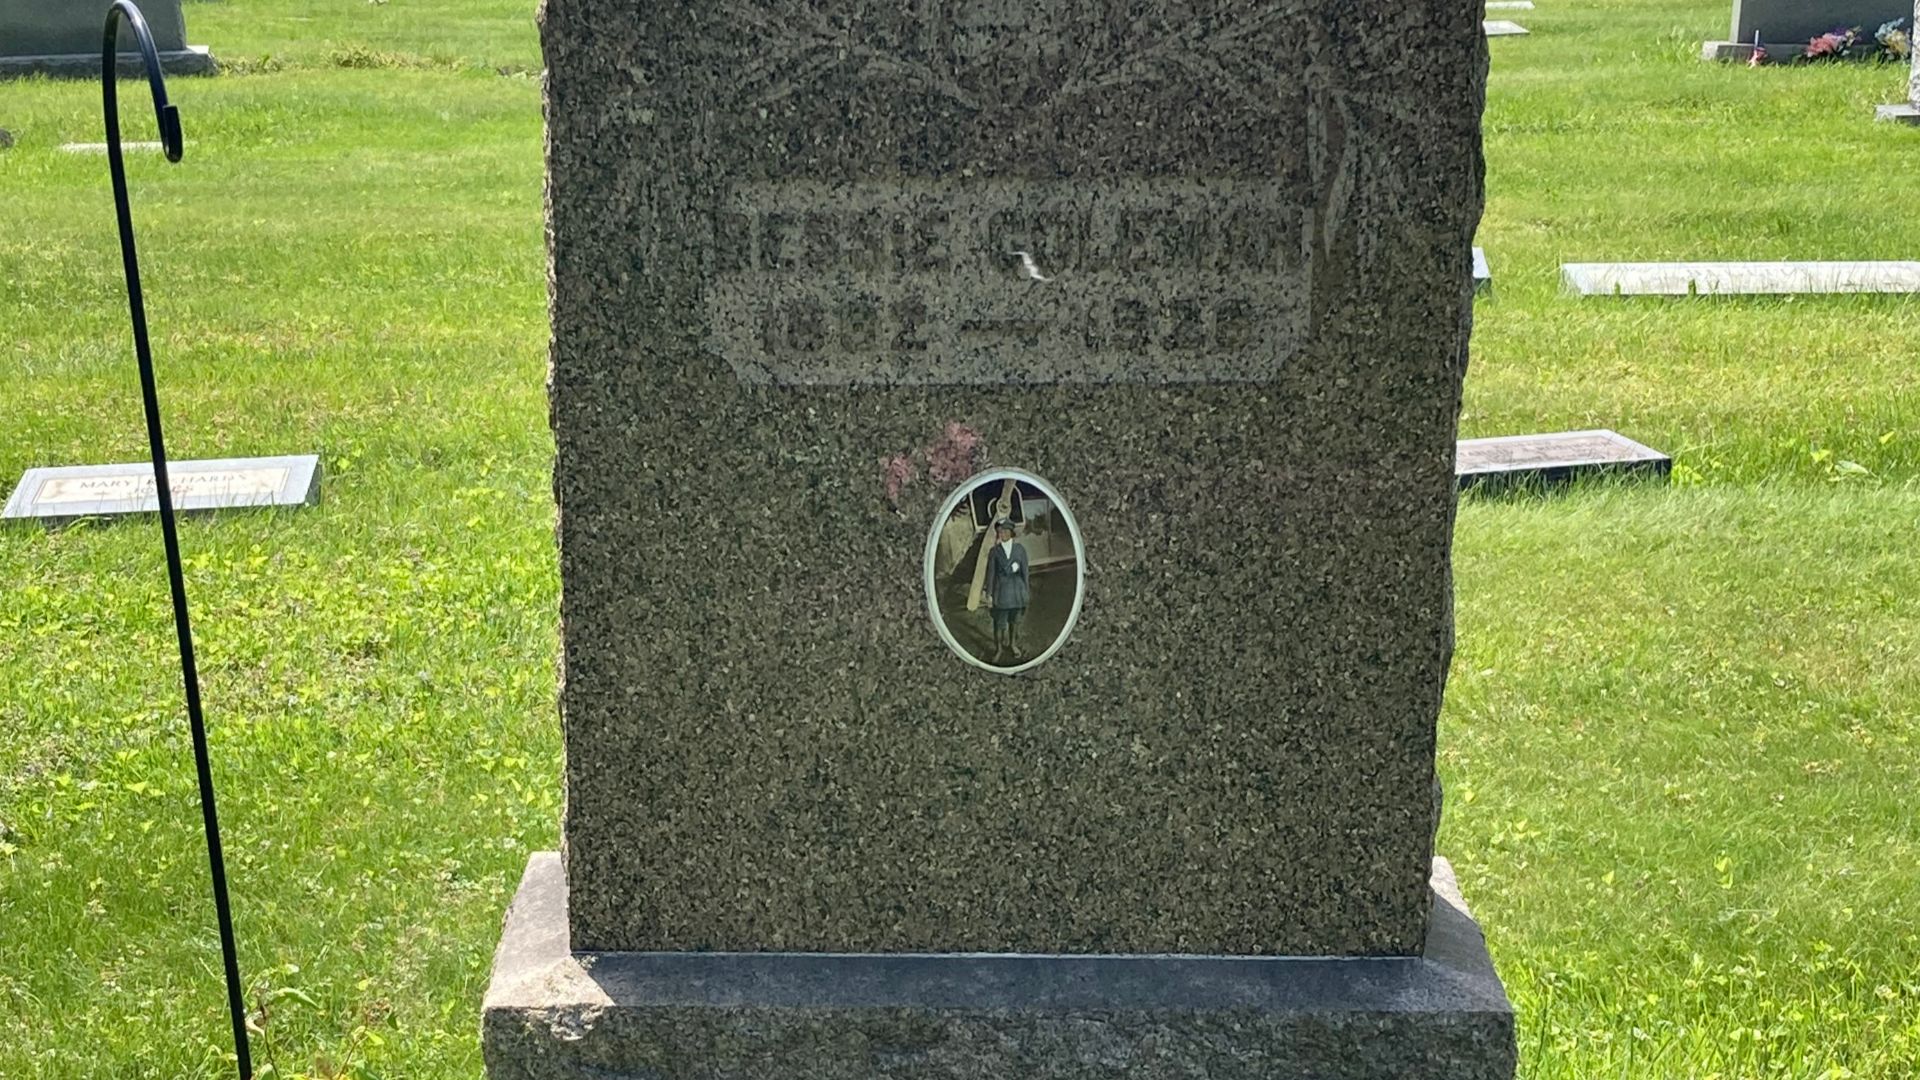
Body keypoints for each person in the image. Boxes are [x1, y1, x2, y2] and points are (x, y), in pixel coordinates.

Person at [982, 518, 1031, 663]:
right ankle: (998, 649)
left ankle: (1013, 645)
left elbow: (1025, 573)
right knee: (999, 624)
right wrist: (989, 594)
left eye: (1004, 531)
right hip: (1001, 593)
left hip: (1017, 592)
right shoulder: (994, 551)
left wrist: (1025, 592)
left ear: (1011, 532)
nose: (1001, 534)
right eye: (999, 531)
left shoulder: (1020, 550)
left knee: (1014, 622)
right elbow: (990, 574)